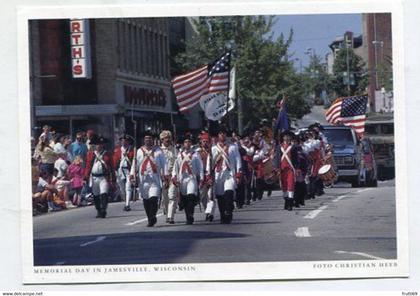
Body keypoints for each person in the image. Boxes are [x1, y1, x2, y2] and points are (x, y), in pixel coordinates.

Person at [130, 129, 168, 227]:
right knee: (146, 200)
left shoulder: (158, 151)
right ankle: (150, 218)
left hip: (154, 179)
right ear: (144, 140)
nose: (148, 140)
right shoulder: (138, 151)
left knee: (153, 198)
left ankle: (153, 216)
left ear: (153, 140)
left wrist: (166, 176)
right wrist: (132, 175)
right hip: (143, 179)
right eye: (146, 138)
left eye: (150, 138)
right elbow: (135, 164)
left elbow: (164, 164)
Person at [211, 125, 242, 224]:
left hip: (229, 174)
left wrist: (238, 173)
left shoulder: (233, 147)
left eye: (224, 133)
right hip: (218, 175)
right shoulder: (214, 149)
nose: (222, 135)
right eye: (220, 133)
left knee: (229, 192)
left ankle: (229, 211)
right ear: (218, 135)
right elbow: (210, 163)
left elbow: (238, 161)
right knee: (220, 197)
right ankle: (222, 215)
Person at [172, 134, 204, 225]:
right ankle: (187, 215)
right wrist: (174, 177)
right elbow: (175, 168)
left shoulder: (195, 154)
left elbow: (200, 167)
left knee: (191, 196)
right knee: (185, 198)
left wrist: (201, 178)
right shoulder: (178, 155)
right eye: (186, 142)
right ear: (183, 144)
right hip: (182, 179)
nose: (187, 143)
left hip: (191, 178)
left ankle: (191, 215)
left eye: (189, 142)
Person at [84, 135, 114, 218]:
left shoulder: (107, 154)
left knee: (104, 193)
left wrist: (113, 179)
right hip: (94, 178)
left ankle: (103, 209)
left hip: (104, 177)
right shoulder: (91, 154)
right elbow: (88, 166)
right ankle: (98, 210)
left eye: (101, 144)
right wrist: (85, 177)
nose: (99, 146)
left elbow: (111, 167)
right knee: (96, 195)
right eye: (97, 144)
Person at [274, 130, 298, 211]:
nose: (287, 137)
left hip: (290, 169)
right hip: (282, 169)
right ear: (283, 137)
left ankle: (290, 203)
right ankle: (286, 201)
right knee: (284, 186)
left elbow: (295, 159)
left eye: (288, 136)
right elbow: (277, 158)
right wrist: (277, 168)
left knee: (290, 185)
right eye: (285, 136)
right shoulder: (279, 147)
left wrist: (297, 168)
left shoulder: (293, 147)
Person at [159, 130, 178, 224]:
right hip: (162, 177)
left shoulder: (174, 150)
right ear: (162, 139)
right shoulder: (158, 151)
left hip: (172, 176)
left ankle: (171, 217)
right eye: (165, 138)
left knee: (172, 196)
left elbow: (177, 163)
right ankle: (167, 213)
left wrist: (175, 175)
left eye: (169, 138)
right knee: (165, 198)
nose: (167, 140)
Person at [113, 134, 136, 211]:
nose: (124, 142)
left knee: (128, 187)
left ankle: (127, 205)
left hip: (128, 170)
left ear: (128, 142)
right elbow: (115, 161)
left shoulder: (132, 151)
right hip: (120, 171)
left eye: (125, 141)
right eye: (122, 141)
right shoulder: (118, 150)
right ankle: (126, 200)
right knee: (122, 188)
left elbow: (134, 161)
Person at [196, 131, 215, 222]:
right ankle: (207, 211)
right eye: (203, 141)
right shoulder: (197, 152)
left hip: (212, 175)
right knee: (203, 197)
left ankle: (209, 213)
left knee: (210, 196)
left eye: (207, 141)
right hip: (201, 176)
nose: (205, 143)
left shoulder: (213, 151)